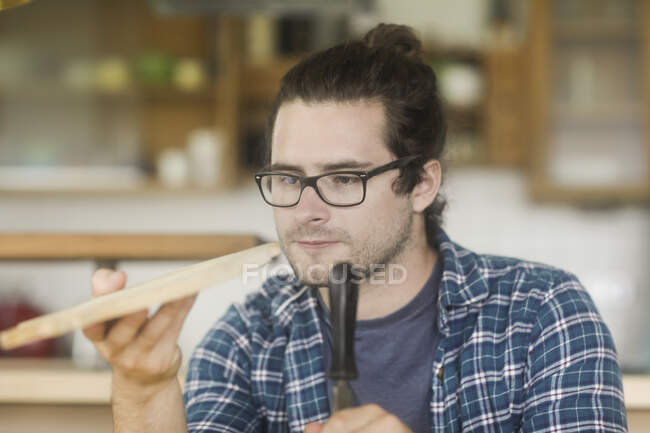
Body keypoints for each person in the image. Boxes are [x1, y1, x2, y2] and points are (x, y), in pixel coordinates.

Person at [84, 23, 627, 433]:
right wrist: (144, 391)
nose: (307, 210)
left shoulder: (542, 315)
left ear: (420, 183)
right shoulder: (247, 339)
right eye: (288, 178)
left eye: (344, 178)